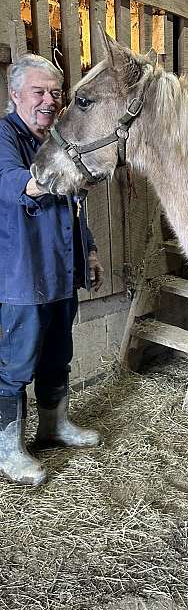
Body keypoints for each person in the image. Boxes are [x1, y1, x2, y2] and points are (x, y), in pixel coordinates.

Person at [0, 54, 103, 486]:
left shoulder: (57, 136)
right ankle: (8, 451)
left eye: (55, 93)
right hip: (21, 274)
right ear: (15, 94)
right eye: (39, 92)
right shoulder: (5, 136)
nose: (48, 101)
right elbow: (13, 184)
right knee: (15, 365)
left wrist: (90, 252)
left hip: (60, 268)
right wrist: (49, 172)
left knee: (58, 354)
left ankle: (54, 426)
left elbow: (74, 204)